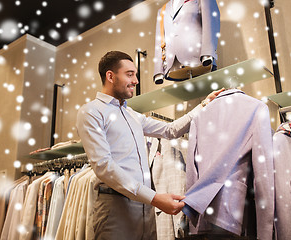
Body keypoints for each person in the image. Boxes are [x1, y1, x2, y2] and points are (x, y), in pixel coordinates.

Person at [76, 50, 224, 239]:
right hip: (115, 208)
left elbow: (170, 130)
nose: (136, 80)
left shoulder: (133, 115)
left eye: (135, 75)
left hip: (146, 208)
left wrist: (204, 104)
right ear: (110, 76)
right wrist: (155, 198)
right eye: (130, 74)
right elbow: (103, 166)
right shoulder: (91, 112)